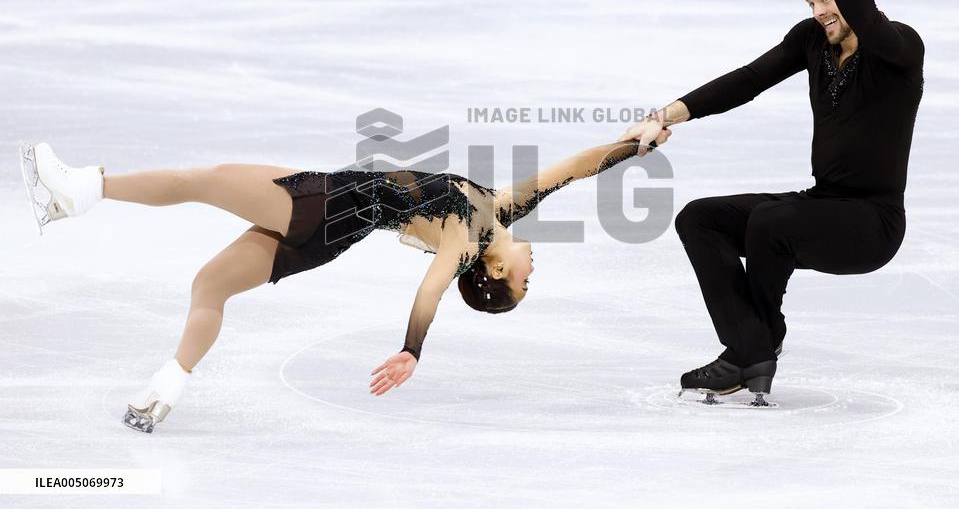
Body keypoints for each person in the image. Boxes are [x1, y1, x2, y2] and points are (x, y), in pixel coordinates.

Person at [18, 128, 668, 432]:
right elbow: (576, 167)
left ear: (496, 274)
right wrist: (635, 145)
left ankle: (83, 191)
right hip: (327, 231)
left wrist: (413, 348)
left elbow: (430, 288)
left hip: (325, 205)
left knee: (203, 180)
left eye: (525, 283)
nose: (535, 271)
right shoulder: (504, 209)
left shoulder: (465, 238)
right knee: (209, 287)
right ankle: (164, 389)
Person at [620, 0, 924, 402]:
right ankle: (747, 347)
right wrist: (666, 113)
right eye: (811, 3)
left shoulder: (898, 49)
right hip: (821, 205)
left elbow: (869, 22)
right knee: (701, 218)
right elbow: (749, 79)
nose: (820, 12)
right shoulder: (812, 41)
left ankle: (757, 349)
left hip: (872, 222)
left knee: (770, 221)